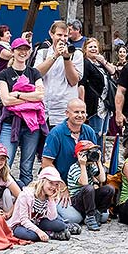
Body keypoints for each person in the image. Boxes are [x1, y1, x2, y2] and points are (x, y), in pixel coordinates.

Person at [0, 37, 46, 187]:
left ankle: (25, 197)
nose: (23, 53)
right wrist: (30, 100)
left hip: (31, 126)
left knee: (27, 166)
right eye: (19, 50)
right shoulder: (4, 74)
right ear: (13, 52)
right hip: (10, 124)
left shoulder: (34, 73)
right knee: (5, 162)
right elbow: (5, 100)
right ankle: (4, 193)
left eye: (25, 50)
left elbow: (40, 96)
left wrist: (16, 94)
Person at [41, 98, 98, 231]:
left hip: (83, 185)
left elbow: (94, 160)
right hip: (60, 184)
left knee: (103, 215)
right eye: (76, 112)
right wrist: (62, 187)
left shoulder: (89, 131)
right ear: (67, 113)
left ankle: (87, 213)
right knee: (74, 218)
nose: (80, 115)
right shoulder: (56, 133)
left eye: (83, 112)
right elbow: (46, 163)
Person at [33, 20, 83, 126]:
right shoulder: (43, 53)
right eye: (59, 35)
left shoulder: (76, 54)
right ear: (51, 34)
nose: (62, 39)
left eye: (65, 36)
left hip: (64, 111)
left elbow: (74, 81)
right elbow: (36, 74)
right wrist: (55, 56)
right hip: (43, 110)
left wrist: (66, 58)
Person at [7, 167, 72, 242]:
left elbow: (52, 217)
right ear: (43, 181)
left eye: (56, 184)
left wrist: (51, 199)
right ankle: (50, 234)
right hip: (21, 224)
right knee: (32, 236)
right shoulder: (26, 195)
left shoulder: (50, 195)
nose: (53, 187)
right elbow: (24, 220)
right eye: (50, 183)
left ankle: (55, 230)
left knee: (60, 225)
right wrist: (38, 231)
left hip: (39, 222)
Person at [66, 140, 115, 231]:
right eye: (89, 152)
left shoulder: (91, 166)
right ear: (80, 154)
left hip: (89, 197)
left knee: (109, 189)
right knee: (89, 188)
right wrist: (83, 165)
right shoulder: (74, 168)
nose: (92, 154)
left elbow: (102, 179)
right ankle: (90, 217)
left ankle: (98, 213)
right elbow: (84, 183)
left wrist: (99, 162)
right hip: (77, 200)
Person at [78, 37, 116, 144]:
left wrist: (104, 62)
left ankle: (101, 157)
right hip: (94, 105)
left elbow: (113, 71)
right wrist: (82, 105)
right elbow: (82, 84)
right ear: (85, 49)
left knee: (103, 133)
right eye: (90, 47)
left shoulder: (100, 64)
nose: (93, 49)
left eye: (95, 47)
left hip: (106, 104)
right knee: (95, 133)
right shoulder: (85, 63)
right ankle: (94, 156)